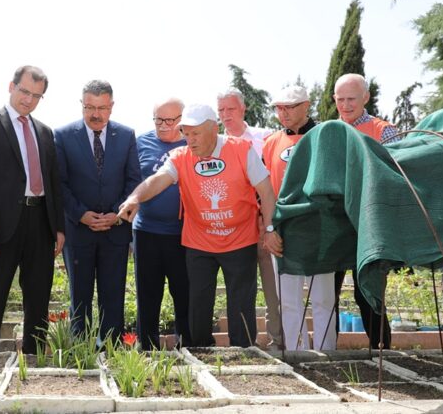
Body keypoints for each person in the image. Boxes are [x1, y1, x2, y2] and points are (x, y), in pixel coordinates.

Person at [118, 104, 282, 348]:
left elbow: (266, 191)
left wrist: (269, 229)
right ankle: (203, 353)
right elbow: (156, 180)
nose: (190, 140)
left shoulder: (241, 150)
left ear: (213, 129)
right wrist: (135, 198)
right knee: (198, 306)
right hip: (199, 243)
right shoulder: (181, 157)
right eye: (186, 133)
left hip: (240, 240)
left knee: (241, 304)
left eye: (196, 134)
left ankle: (244, 355)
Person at [0, 65, 65, 354]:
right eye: (24, 91)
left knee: (38, 298)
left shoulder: (44, 133)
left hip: (40, 223)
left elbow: (54, 184)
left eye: (36, 95)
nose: (28, 99)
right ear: (11, 87)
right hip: (0, 226)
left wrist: (58, 227)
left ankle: (34, 361)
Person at [54, 80, 141, 343]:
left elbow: (134, 181)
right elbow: (59, 183)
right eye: (89, 107)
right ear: (81, 104)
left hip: (115, 232)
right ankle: (81, 355)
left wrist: (117, 214)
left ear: (111, 106)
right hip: (78, 231)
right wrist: (81, 214)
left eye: (102, 108)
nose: (95, 114)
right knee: (79, 297)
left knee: (113, 296)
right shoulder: (63, 136)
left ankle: (112, 352)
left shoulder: (126, 136)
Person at [263, 85, 336, 350]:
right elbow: (265, 190)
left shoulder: (325, 136)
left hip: (319, 228)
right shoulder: (271, 142)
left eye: (290, 106)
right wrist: (269, 228)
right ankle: (296, 353)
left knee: (323, 297)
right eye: (279, 107)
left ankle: (327, 353)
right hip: (283, 229)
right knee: (289, 299)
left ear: (307, 105)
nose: (283, 113)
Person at [333, 73, 399, 349]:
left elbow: (395, 176)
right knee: (328, 295)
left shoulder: (384, 130)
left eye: (351, 99)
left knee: (368, 292)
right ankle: (328, 352)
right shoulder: (328, 131)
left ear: (366, 98)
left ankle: (381, 351)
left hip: (369, 226)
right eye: (340, 100)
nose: (345, 105)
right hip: (335, 224)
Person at [217, 88, 283, 350]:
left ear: (243, 109)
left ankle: (278, 342)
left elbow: (272, 181)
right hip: (233, 230)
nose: (225, 115)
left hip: (264, 223)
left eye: (230, 109)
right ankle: (246, 344)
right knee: (240, 290)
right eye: (221, 110)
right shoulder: (216, 144)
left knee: (273, 289)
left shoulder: (264, 138)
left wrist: (268, 222)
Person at [133, 98, 191, 350]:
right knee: (148, 297)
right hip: (147, 232)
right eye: (159, 119)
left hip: (184, 234)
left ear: (183, 119)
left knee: (185, 295)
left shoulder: (193, 142)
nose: (164, 125)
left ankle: (188, 349)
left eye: (171, 120)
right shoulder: (140, 143)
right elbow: (132, 183)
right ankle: (146, 351)